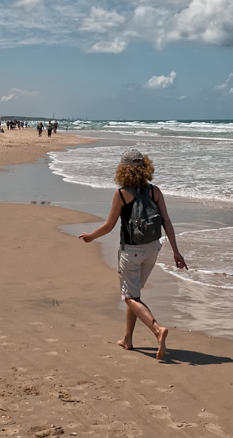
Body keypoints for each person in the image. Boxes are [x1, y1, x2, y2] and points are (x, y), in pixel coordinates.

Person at [79, 149, 187, 360]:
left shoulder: (121, 194)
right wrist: (176, 251)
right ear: (145, 167)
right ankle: (127, 339)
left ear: (123, 170)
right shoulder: (155, 191)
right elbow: (166, 222)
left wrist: (91, 236)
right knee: (134, 295)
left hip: (131, 251)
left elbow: (109, 226)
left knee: (130, 297)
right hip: (153, 249)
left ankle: (157, 330)